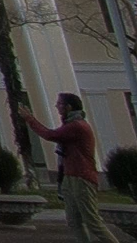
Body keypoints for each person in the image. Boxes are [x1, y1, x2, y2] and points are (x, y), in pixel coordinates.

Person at [20, 94, 121, 243]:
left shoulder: (77, 126)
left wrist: (30, 119)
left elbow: (50, 135)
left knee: (92, 221)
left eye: (60, 104)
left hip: (82, 177)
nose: (57, 107)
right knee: (74, 221)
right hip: (70, 175)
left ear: (69, 107)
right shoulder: (70, 124)